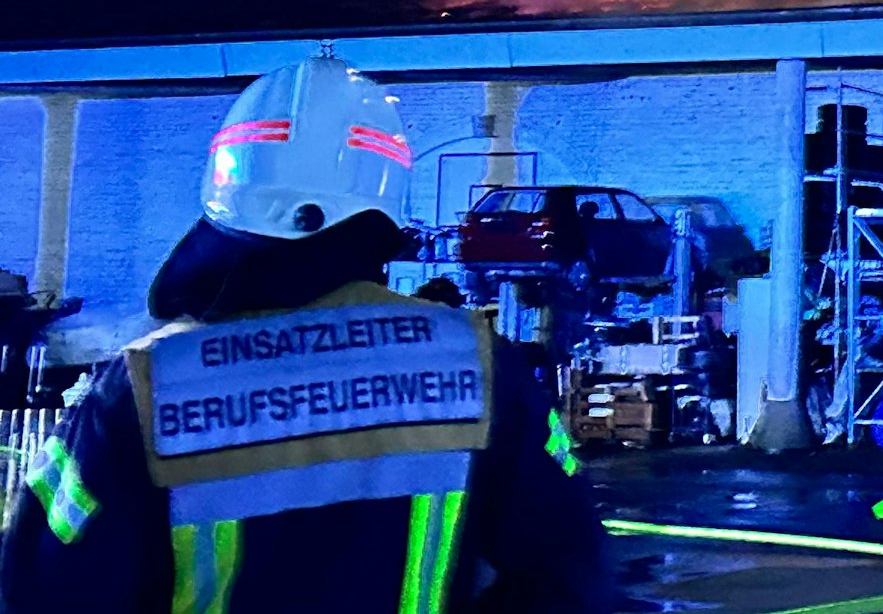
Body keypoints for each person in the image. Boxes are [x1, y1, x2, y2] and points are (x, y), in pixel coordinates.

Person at [1, 51, 610, 613]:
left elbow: (40, 592)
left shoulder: (142, 389)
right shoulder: (477, 368)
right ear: (384, 205)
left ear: (223, 190)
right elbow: (570, 580)